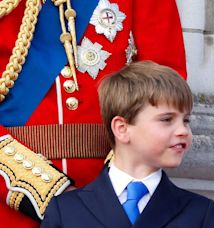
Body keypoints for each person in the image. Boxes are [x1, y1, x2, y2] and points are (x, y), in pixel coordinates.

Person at [0, 0, 187, 227]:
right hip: (9, 202)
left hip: (112, 198)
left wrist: (109, 191)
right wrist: (44, 188)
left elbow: (165, 96)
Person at [40, 61, 214, 228]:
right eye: (167, 119)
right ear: (122, 129)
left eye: (186, 120)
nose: (183, 131)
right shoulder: (65, 211)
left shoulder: (199, 212)